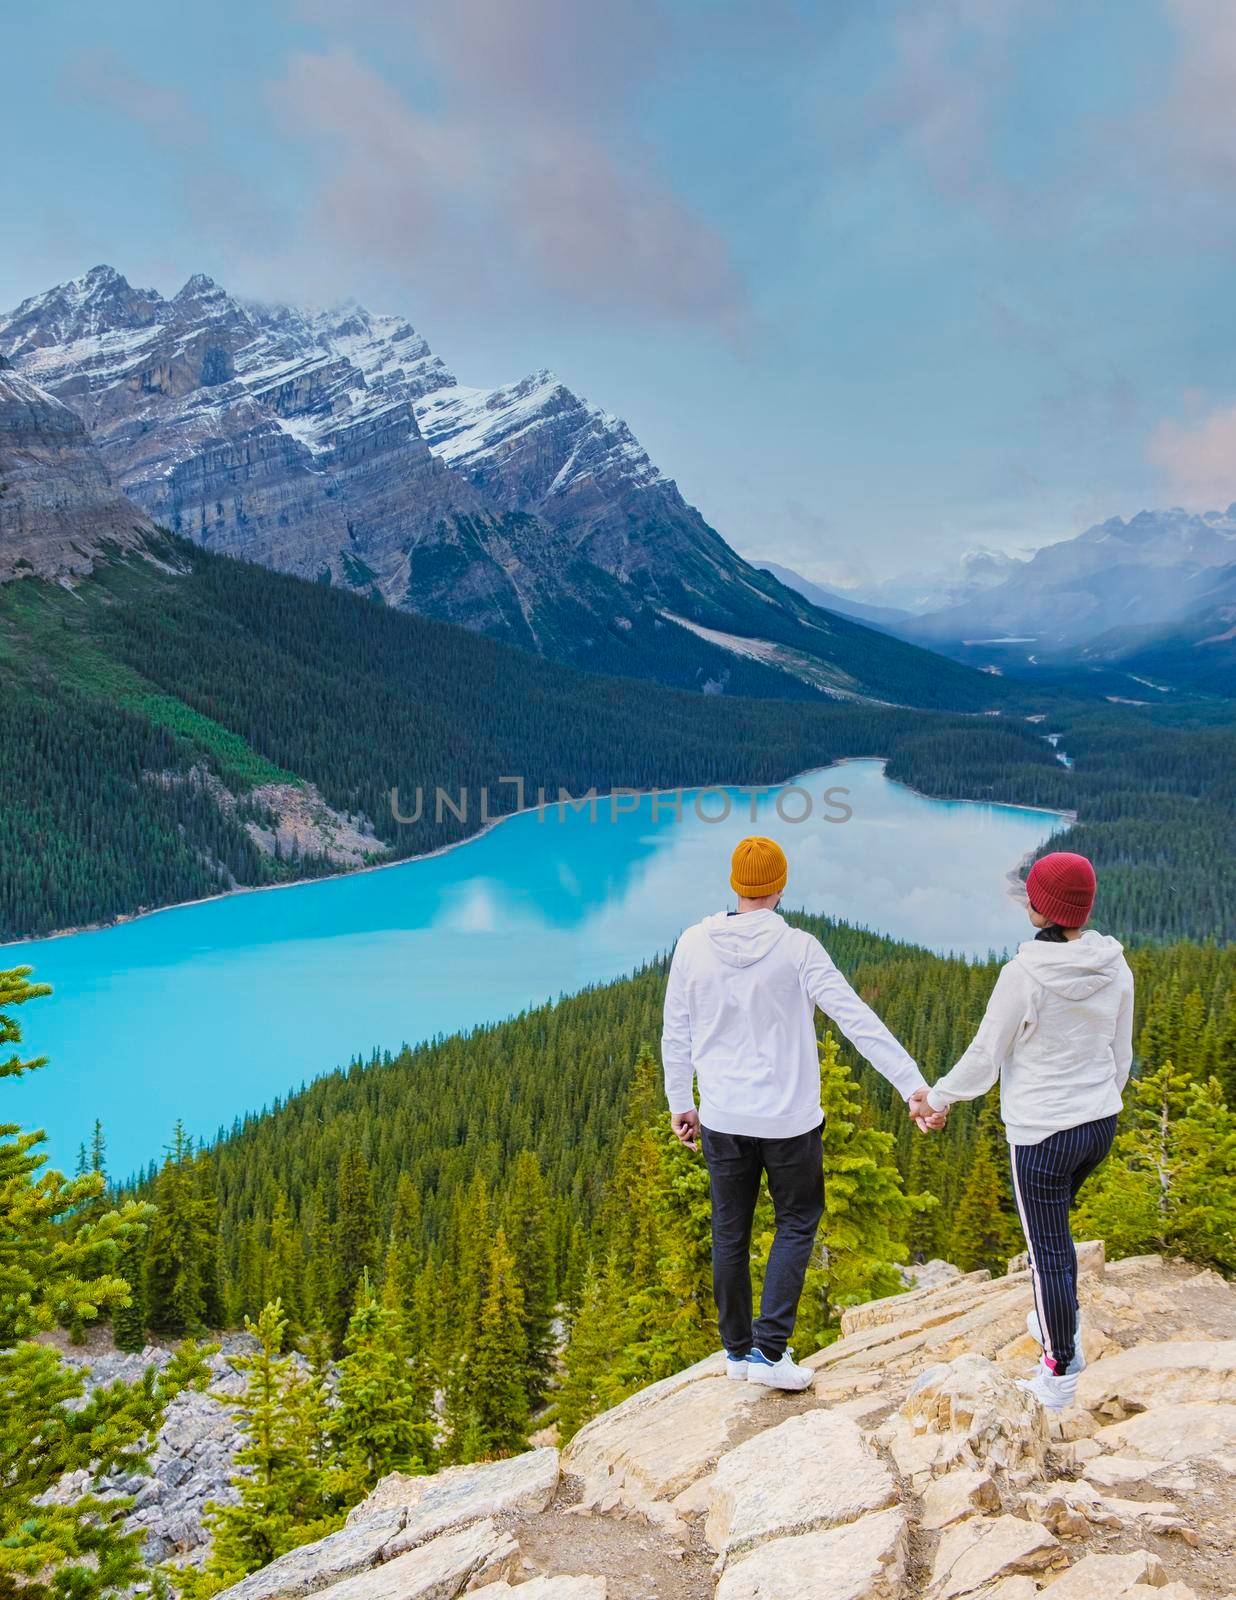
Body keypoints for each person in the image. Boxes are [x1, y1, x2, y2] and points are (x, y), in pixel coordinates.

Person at [661, 835, 931, 1391]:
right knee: (797, 1221)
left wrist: (680, 1102)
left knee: (729, 1231)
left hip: (723, 1118)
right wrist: (913, 1086)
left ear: (736, 884)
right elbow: (857, 1020)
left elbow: (676, 1032)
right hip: (789, 1122)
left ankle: (736, 1353)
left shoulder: (692, 944)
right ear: (779, 887)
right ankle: (768, 1352)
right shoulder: (800, 949)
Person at [909, 850, 1134, 1411]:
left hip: (1042, 1137)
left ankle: (1059, 1369)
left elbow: (986, 1058)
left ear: (1041, 908)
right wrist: (1103, 1101)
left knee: (1049, 1250)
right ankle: (1057, 1318)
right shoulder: (1115, 964)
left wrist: (935, 1099)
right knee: (1051, 1237)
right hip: (1098, 1125)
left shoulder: (1024, 975)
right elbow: (1121, 1053)